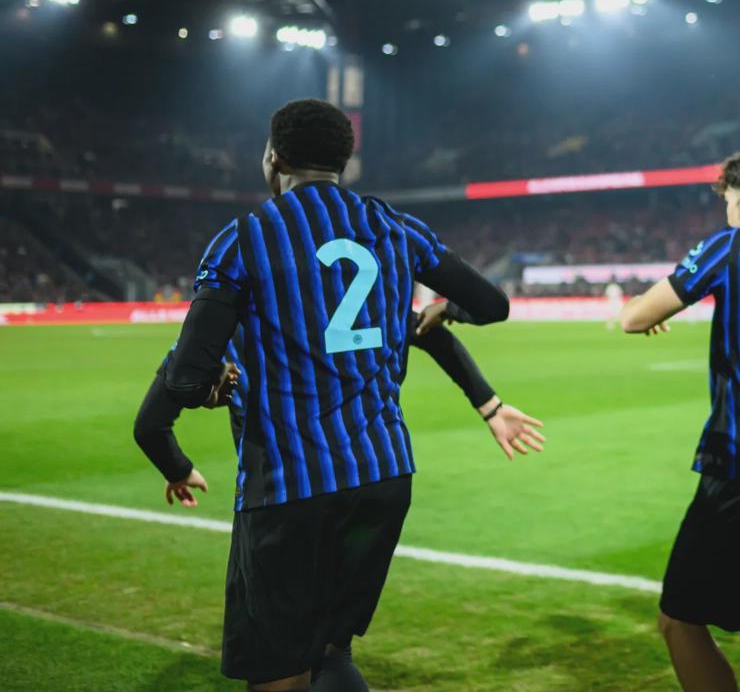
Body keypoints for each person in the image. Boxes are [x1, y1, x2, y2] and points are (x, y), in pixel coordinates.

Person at [144, 98, 510, 692]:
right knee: (331, 652)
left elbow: (184, 378)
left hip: (290, 486)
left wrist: (208, 391)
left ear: (274, 158)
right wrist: (445, 310)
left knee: (279, 672)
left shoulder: (244, 239)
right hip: (383, 476)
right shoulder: (395, 226)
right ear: (346, 161)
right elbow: (493, 305)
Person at [619, 143, 740, 692]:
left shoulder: (734, 244)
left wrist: (645, 311)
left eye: (727, 203)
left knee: (679, 621)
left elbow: (635, 317)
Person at [134, 311, 543, 510]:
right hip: (364, 484)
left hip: (276, 495)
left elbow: (150, 425)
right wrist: (490, 406)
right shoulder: (353, 307)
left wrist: (177, 468)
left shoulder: (225, 321)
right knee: (333, 635)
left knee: (275, 641)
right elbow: (430, 333)